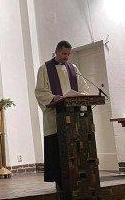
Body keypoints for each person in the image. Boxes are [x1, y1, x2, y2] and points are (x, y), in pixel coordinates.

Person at [35, 40, 89, 189]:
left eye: (68, 54)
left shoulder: (73, 68)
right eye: (64, 53)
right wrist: (54, 98)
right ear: (57, 51)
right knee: (58, 150)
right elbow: (40, 91)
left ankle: (78, 178)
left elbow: (84, 87)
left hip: (74, 118)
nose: (66, 57)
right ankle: (60, 181)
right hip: (55, 117)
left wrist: (80, 95)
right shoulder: (45, 69)